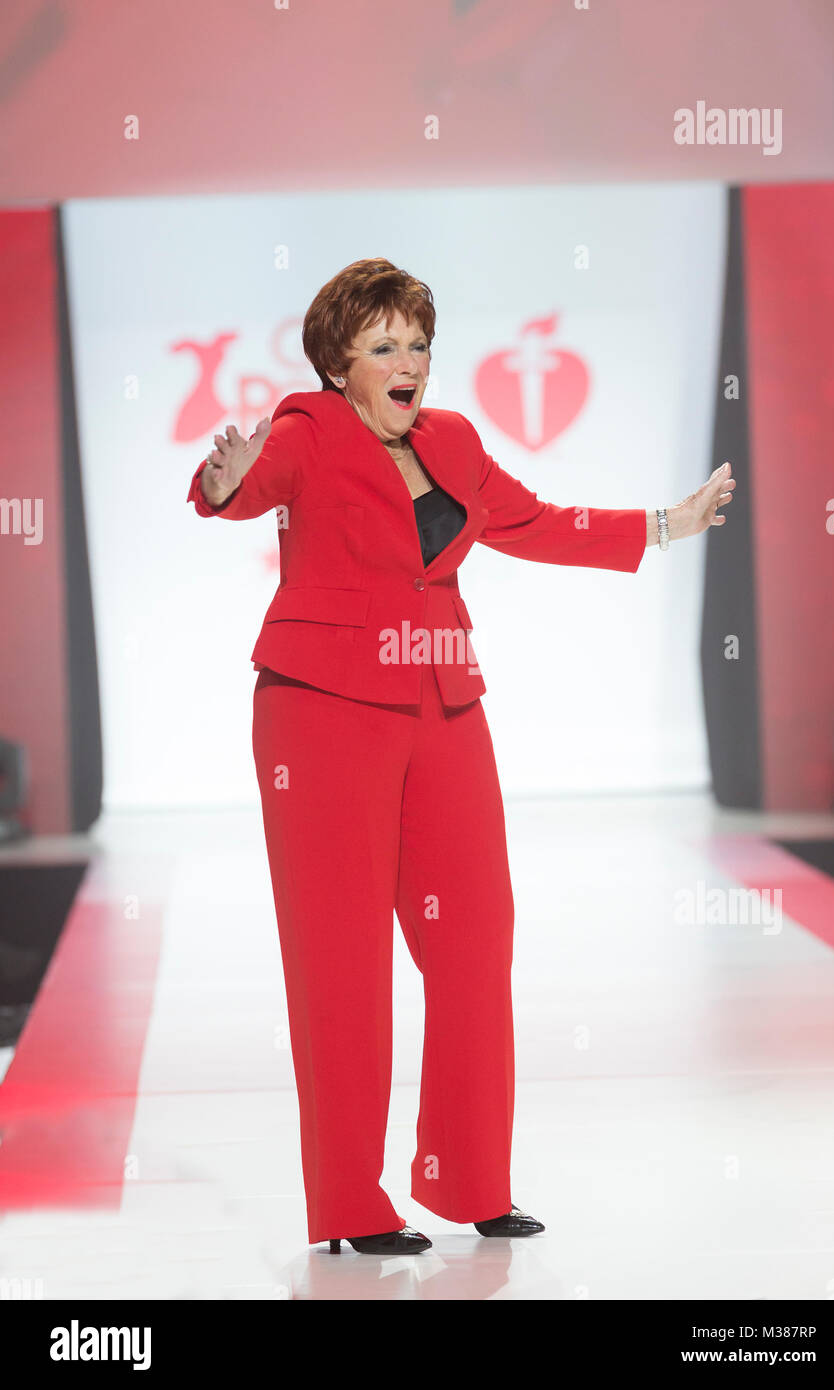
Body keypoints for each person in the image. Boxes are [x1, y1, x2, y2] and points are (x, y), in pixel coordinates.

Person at [187, 258, 736, 1255]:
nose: (409, 363)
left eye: (418, 344)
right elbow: (240, 484)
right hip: (320, 713)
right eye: (384, 345)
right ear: (339, 362)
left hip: (444, 701)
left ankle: (469, 1179)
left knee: (476, 939)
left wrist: (665, 524)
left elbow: (533, 523)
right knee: (341, 961)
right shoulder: (305, 432)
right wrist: (223, 478)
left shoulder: (452, 439)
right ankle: (353, 1206)